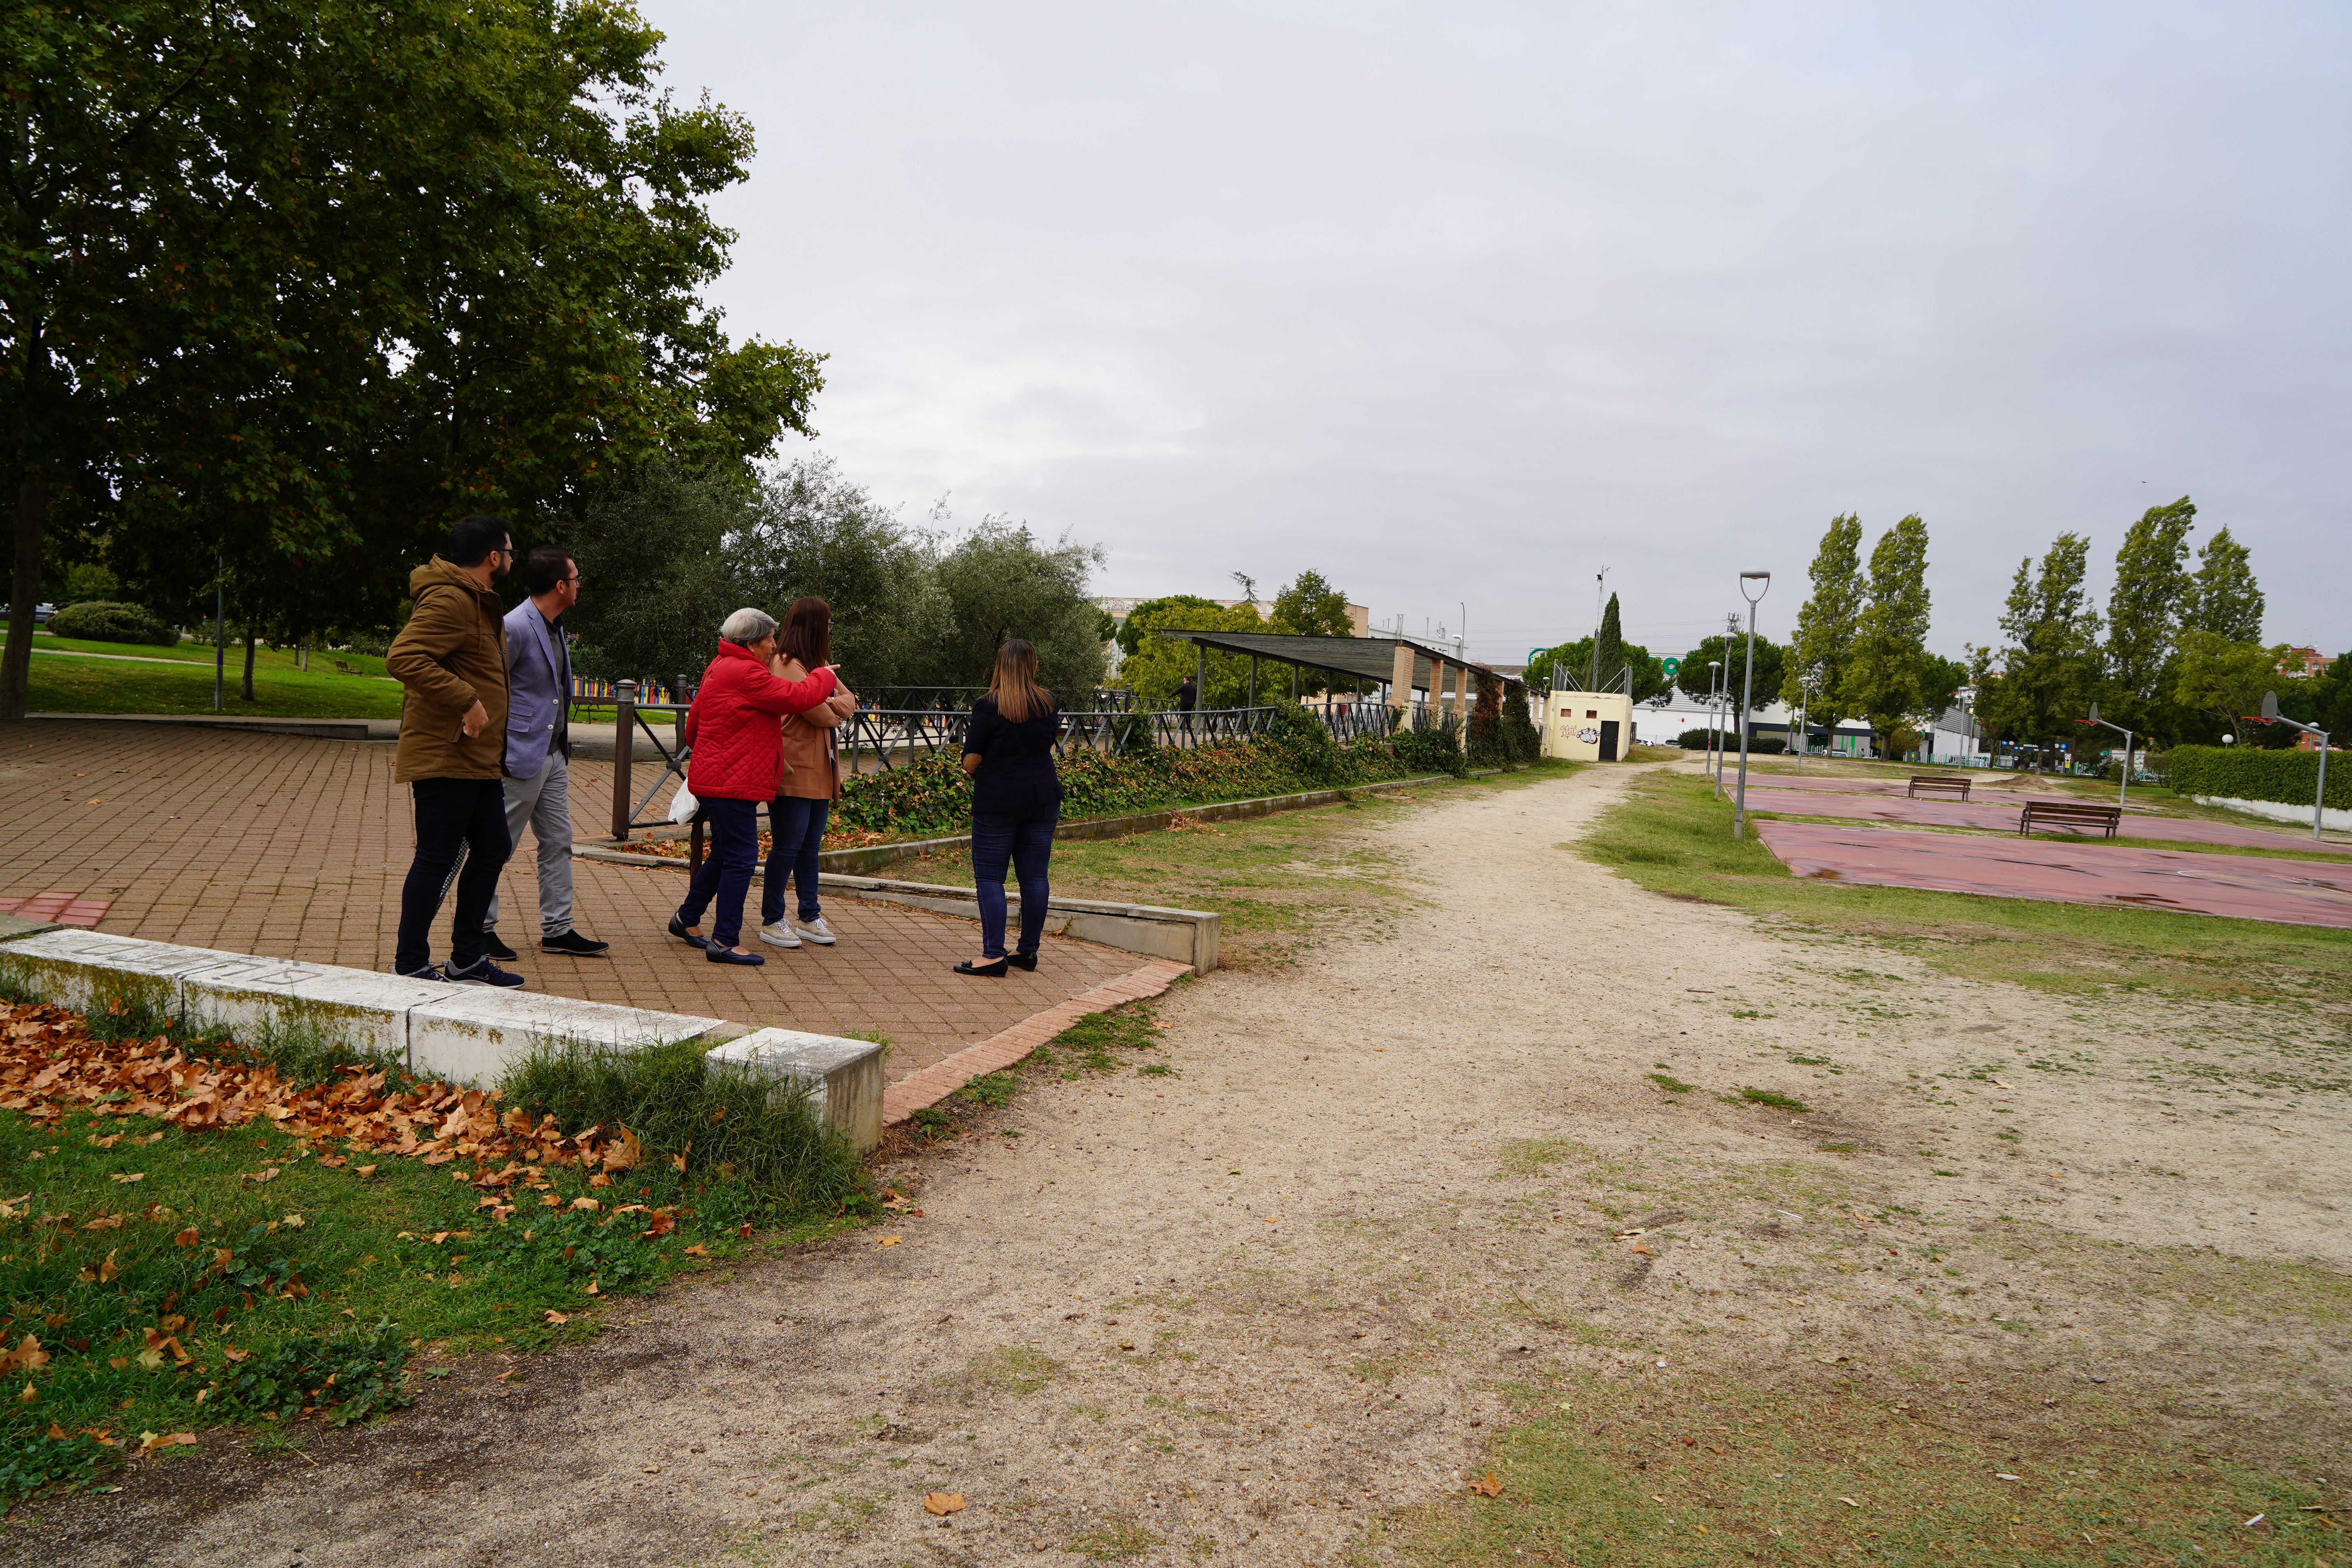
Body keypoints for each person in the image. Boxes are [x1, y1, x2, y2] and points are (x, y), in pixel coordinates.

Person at [385, 515, 523, 985]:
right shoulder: (451, 599)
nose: (510, 558)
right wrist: (466, 699)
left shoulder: (478, 602)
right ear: (493, 557)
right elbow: (403, 657)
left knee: (493, 847)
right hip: (446, 755)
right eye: (510, 551)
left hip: (477, 758)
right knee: (437, 857)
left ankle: (466, 958)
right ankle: (410, 965)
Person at [670, 609, 839, 965]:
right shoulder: (746, 671)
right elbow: (796, 697)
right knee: (742, 860)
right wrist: (823, 675)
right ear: (751, 643)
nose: (774, 646)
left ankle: (686, 919)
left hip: (721, 777)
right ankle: (725, 941)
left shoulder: (719, 665)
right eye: (769, 640)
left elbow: (693, 726)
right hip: (733, 781)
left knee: (724, 854)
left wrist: (714, 752)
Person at [481, 546, 608, 961]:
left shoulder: (555, 625)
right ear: (560, 586)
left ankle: (557, 929)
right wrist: (503, 746)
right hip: (520, 754)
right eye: (576, 580)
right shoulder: (515, 626)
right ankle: (479, 929)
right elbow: (493, 689)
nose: (579, 586)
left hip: (554, 754)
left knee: (558, 841)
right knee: (497, 845)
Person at [955, 639, 1063, 977]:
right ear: (1033, 665)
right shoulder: (1048, 702)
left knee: (990, 877)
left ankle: (993, 955)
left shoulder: (988, 705)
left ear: (1001, 665)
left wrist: (969, 768)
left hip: (999, 799)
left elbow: (973, 757)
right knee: (1035, 878)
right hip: (1042, 797)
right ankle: (1027, 951)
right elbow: (1046, 743)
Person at [759, 597, 858, 949]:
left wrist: (829, 700)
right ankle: (771, 919)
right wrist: (830, 703)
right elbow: (822, 714)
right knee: (788, 846)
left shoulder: (818, 666)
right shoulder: (786, 663)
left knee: (810, 846)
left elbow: (851, 703)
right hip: (794, 767)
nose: (830, 631)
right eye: (828, 624)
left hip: (821, 768)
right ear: (815, 626)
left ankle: (808, 915)